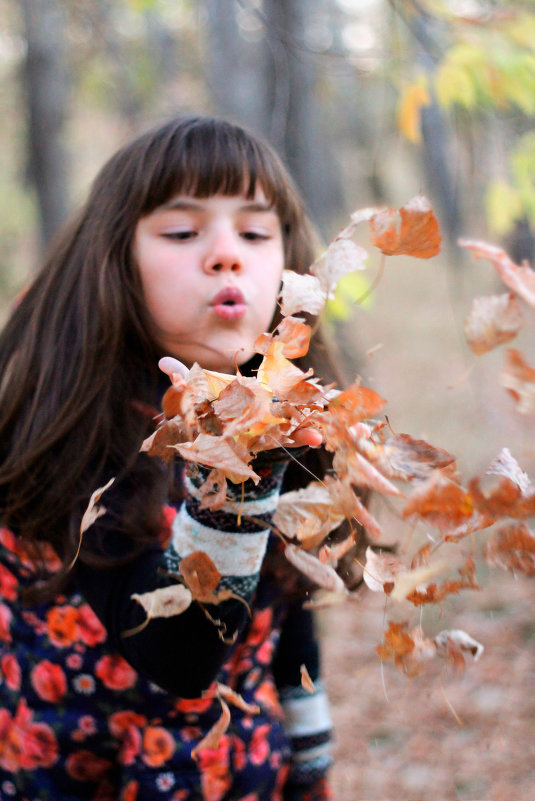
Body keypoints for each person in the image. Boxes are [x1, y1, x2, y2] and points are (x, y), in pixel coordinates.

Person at [0, 116, 341, 801]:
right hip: (78, 776)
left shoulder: (280, 407)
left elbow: (285, 597)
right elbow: (176, 655)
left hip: (238, 774)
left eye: (253, 232)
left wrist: (308, 753)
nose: (225, 254)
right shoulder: (70, 428)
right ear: (116, 258)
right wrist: (242, 462)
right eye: (183, 232)